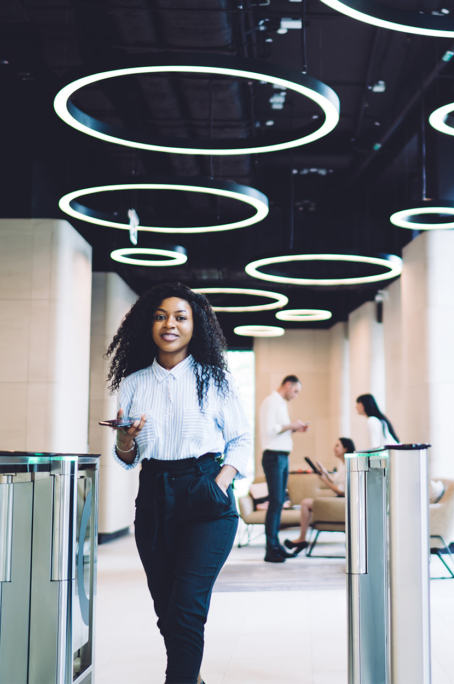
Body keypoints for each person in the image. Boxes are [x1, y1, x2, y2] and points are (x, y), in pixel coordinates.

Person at [105, 283, 252, 684]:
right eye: (160, 316)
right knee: (167, 608)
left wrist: (218, 485)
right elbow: (126, 458)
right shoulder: (133, 383)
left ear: (195, 325)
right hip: (153, 494)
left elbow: (241, 440)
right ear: (148, 324)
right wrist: (124, 439)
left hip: (206, 494)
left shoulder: (215, 379)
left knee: (187, 606)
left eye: (180, 317)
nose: (169, 324)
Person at [258, 375, 309, 562]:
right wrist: (291, 425)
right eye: (295, 391)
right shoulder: (271, 401)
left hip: (282, 456)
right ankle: (270, 548)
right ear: (288, 385)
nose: (295, 395)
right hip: (274, 456)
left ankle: (276, 545)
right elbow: (269, 429)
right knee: (276, 501)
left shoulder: (280, 403)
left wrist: (294, 428)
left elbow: (279, 430)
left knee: (279, 502)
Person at [284, 437, 355, 554]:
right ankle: (301, 539)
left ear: (345, 448)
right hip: (341, 501)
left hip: (342, 502)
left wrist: (324, 480)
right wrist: (325, 473)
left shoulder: (348, 465)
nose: (334, 448)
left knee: (305, 503)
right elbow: (335, 482)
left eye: (337, 446)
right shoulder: (343, 465)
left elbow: (341, 492)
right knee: (306, 503)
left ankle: (302, 538)